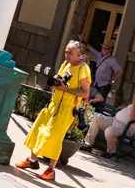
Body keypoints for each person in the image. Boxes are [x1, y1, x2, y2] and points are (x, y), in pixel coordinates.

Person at [14, 41, 92, 182]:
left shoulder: (83, 69)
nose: (67, 55)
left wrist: (65, 89)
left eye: (70, 53)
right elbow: (57, 79)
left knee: (55, 137)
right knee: (37, 129)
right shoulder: (66, 64)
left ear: (79, 54)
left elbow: (85, 93)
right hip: (53, 104)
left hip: (67, 108)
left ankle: (51, 170)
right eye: (66, 52)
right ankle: (32, 160)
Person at [83, 85, 135, 158]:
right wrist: (125, 107)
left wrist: (134, 102)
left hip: (127, 128)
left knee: (109, 131)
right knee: (96, 118)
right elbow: (130, 110)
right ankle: (88, 144)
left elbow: (132, 119)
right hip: (115, 120)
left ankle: (111, 152)